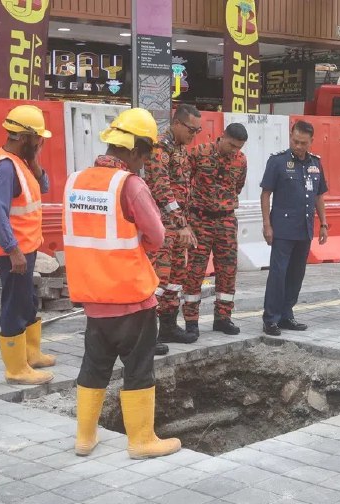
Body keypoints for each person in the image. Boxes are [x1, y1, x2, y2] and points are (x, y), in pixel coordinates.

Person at [64, 108, 181, 460]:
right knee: (138, 369)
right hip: (132, 297)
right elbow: (158, 235)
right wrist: (140, 244)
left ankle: (84, 438)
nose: (144, 162)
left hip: (94, 298)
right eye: (145, 154)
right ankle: (141, 441)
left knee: (94, 366)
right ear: (132, 149)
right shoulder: (129, 184)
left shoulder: (75, 181)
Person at [0, 105, 56, 385]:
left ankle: (31, 355)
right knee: (14, 306)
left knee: (26, 302)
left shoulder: (22, 161)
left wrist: (36, 159)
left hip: (25, 248)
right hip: (13, 252)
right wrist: (13, 250)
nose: (42, 142)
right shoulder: (5, 167)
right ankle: (16, 369)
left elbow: (46, 186)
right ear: (23, 137)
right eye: (38, 138)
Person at [260, 120, 329, 336]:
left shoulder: (315, 163)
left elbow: (319, 196)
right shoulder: (277, 161)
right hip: (282, 229)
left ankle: (286, 315)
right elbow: (265, 194)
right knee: (278, 274)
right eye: (295, 141)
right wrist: (266, 225)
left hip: (304, 228)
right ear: (291, 136)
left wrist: (324, 223)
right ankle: (271, 318)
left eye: (303, 143)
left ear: (311, 142)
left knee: (296, 274)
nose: (298, 146)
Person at [144, 104, 203, 346]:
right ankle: (147, 335)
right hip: (163, 228)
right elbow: (162, 189)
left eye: (198, 131)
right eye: (191, 129)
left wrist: (186, 225)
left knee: (177, 278)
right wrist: (181, 225)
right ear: (177, 124)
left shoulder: (180, 150)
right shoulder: (159, 150)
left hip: (180, 228)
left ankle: (168, 326)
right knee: (158, 280)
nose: (194, 135)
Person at [182, 124, 249, 337]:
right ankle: (191, 321)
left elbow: (237, 187)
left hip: (226, 221)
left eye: (238, 147)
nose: (234, 150)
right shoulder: (198, 153)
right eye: (231, 145)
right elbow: (185, 183)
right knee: (195, 271)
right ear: (222, 137)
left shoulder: (241, 160)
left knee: (228, 271)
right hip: (200, 219)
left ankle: (223, 318)